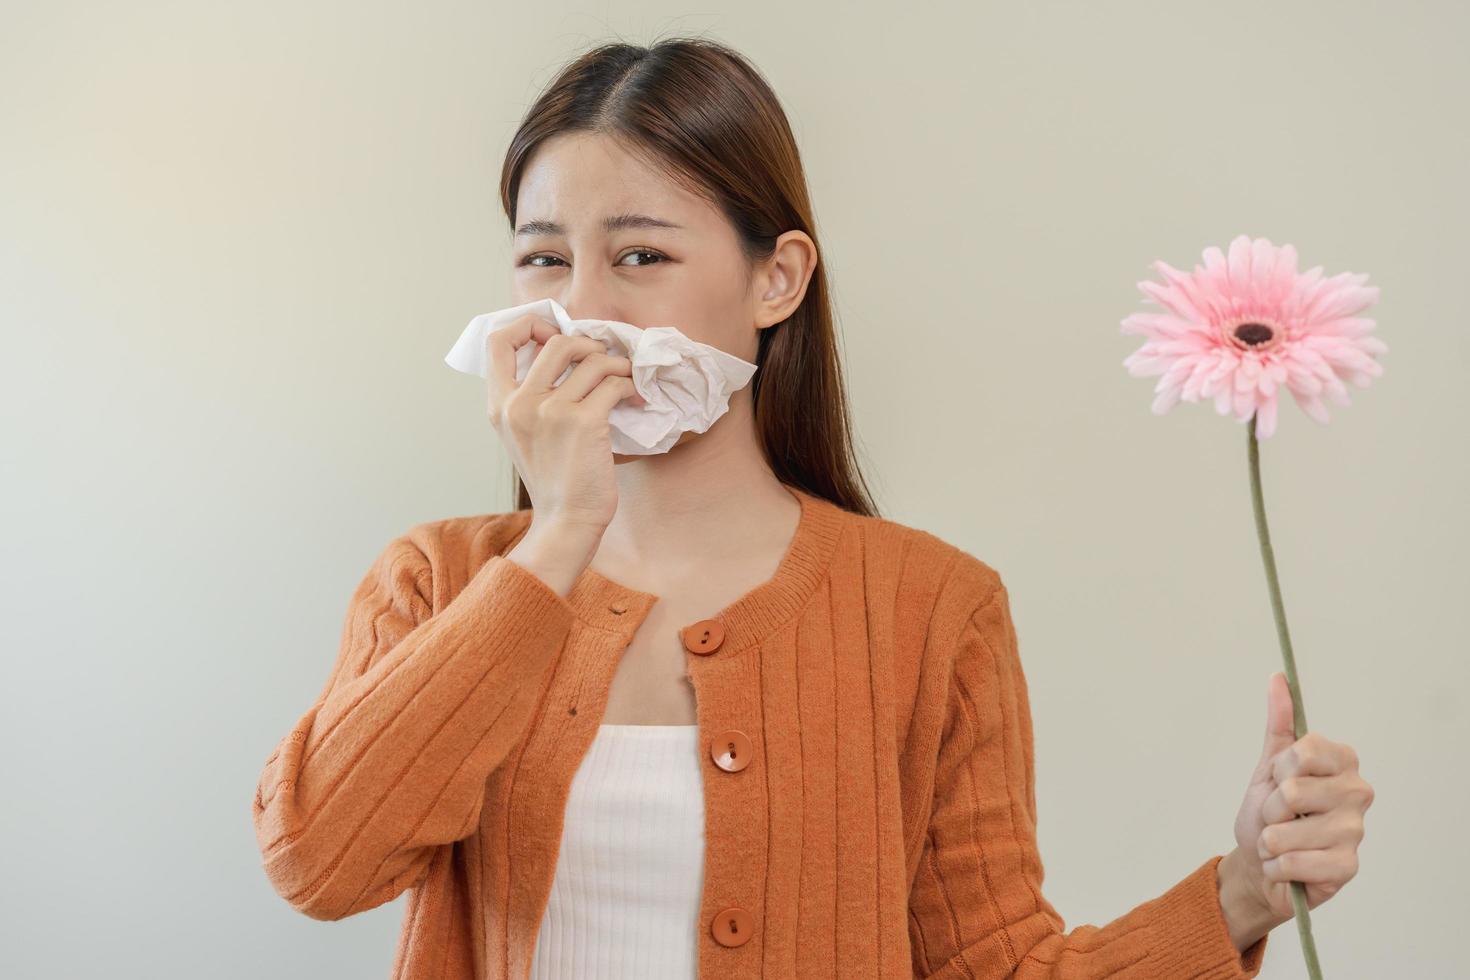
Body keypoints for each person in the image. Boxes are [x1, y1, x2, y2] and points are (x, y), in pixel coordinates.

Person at [250, 36, 1374, 980]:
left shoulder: (931, 606)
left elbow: (1000, 966)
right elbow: (319, 862)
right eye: (544, 260)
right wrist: (555, 541)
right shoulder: (440, 580)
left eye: (639, 254)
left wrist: (1240, 890)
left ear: (777, 279)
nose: (582, 310)